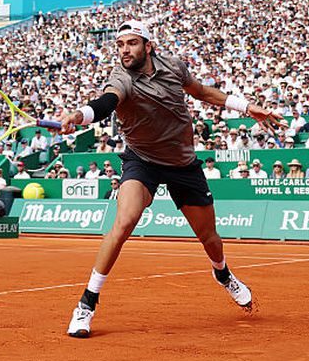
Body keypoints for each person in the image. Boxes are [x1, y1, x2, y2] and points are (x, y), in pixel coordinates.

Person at [57, 19, 284, 338]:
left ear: (149, 46)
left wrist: (249, 108)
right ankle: (86, 305)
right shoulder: (122, 78)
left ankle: (223, 274)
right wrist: (80, 115)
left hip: (182, 163)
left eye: (132, 43)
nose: (125, 50)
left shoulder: (174, 67)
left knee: (210, 238)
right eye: (120, 45)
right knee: (124, 223)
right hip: (143, 160)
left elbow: (203, 92)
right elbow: (105, 103)